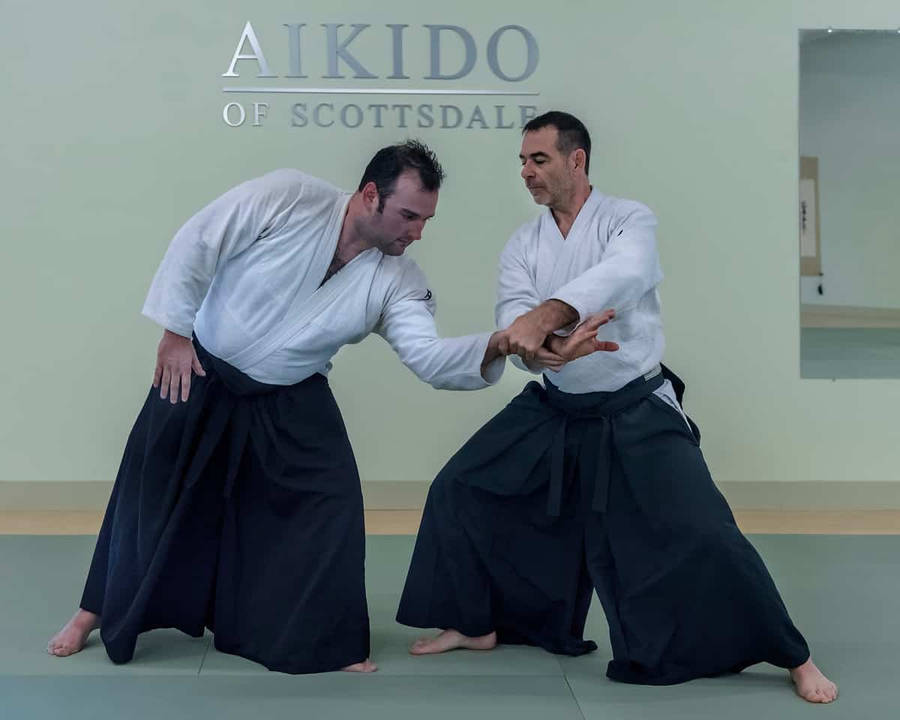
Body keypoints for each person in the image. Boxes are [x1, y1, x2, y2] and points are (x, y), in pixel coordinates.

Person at [46, 140, 615, 674]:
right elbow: (201, 239)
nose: (416, 233)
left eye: (426, 221)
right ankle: (92, 611)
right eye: (409, 217)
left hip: (291, 390)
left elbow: (428, 356)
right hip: (200, 364)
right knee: (150, 488)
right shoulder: (288, 196)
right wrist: (174, 331)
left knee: (331, 501)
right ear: (371, 195)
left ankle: (325, 638)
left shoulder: (398, 280)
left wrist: (498, 343)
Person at [396, 113, 838, 704]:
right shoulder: (524, 244)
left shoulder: (629, 220)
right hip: (557, 405)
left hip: (634, 403)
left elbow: (621, 275)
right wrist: (549, 352)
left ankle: (793, 655)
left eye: (539, 159)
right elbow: (517, 321)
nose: (526, 172)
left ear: (576, 160)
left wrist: (549, 318)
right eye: (522, 162)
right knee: (462, 486)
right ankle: (478, 622)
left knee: (706, 530)